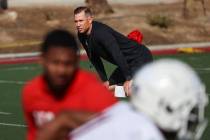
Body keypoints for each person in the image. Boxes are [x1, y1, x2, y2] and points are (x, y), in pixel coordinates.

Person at [36, 59, 209, 140]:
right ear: (163, 106)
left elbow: (65, 118)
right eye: (188, 108)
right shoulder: (146, 135)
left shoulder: (124, 111)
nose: (191, 116)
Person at [22, 29, 117, 140]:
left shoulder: (94, 91)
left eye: (68, 64)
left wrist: (68, 119)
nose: (61, 71)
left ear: (76, 62)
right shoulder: (31, 92)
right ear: (42, 60)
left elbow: (120, 129)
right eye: (55, 63)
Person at [74, 6, 153, 96]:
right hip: (125, 63)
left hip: (140, 58)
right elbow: (94, 58)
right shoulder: (81, 35)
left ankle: (152, 88)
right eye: (76, 21)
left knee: (129, 90)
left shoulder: (101, 33)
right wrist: (105, 80)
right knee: (107, 91)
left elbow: (117, 54)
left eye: (81, 21)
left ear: (90, 19)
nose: (78, 24)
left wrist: (128, 78)